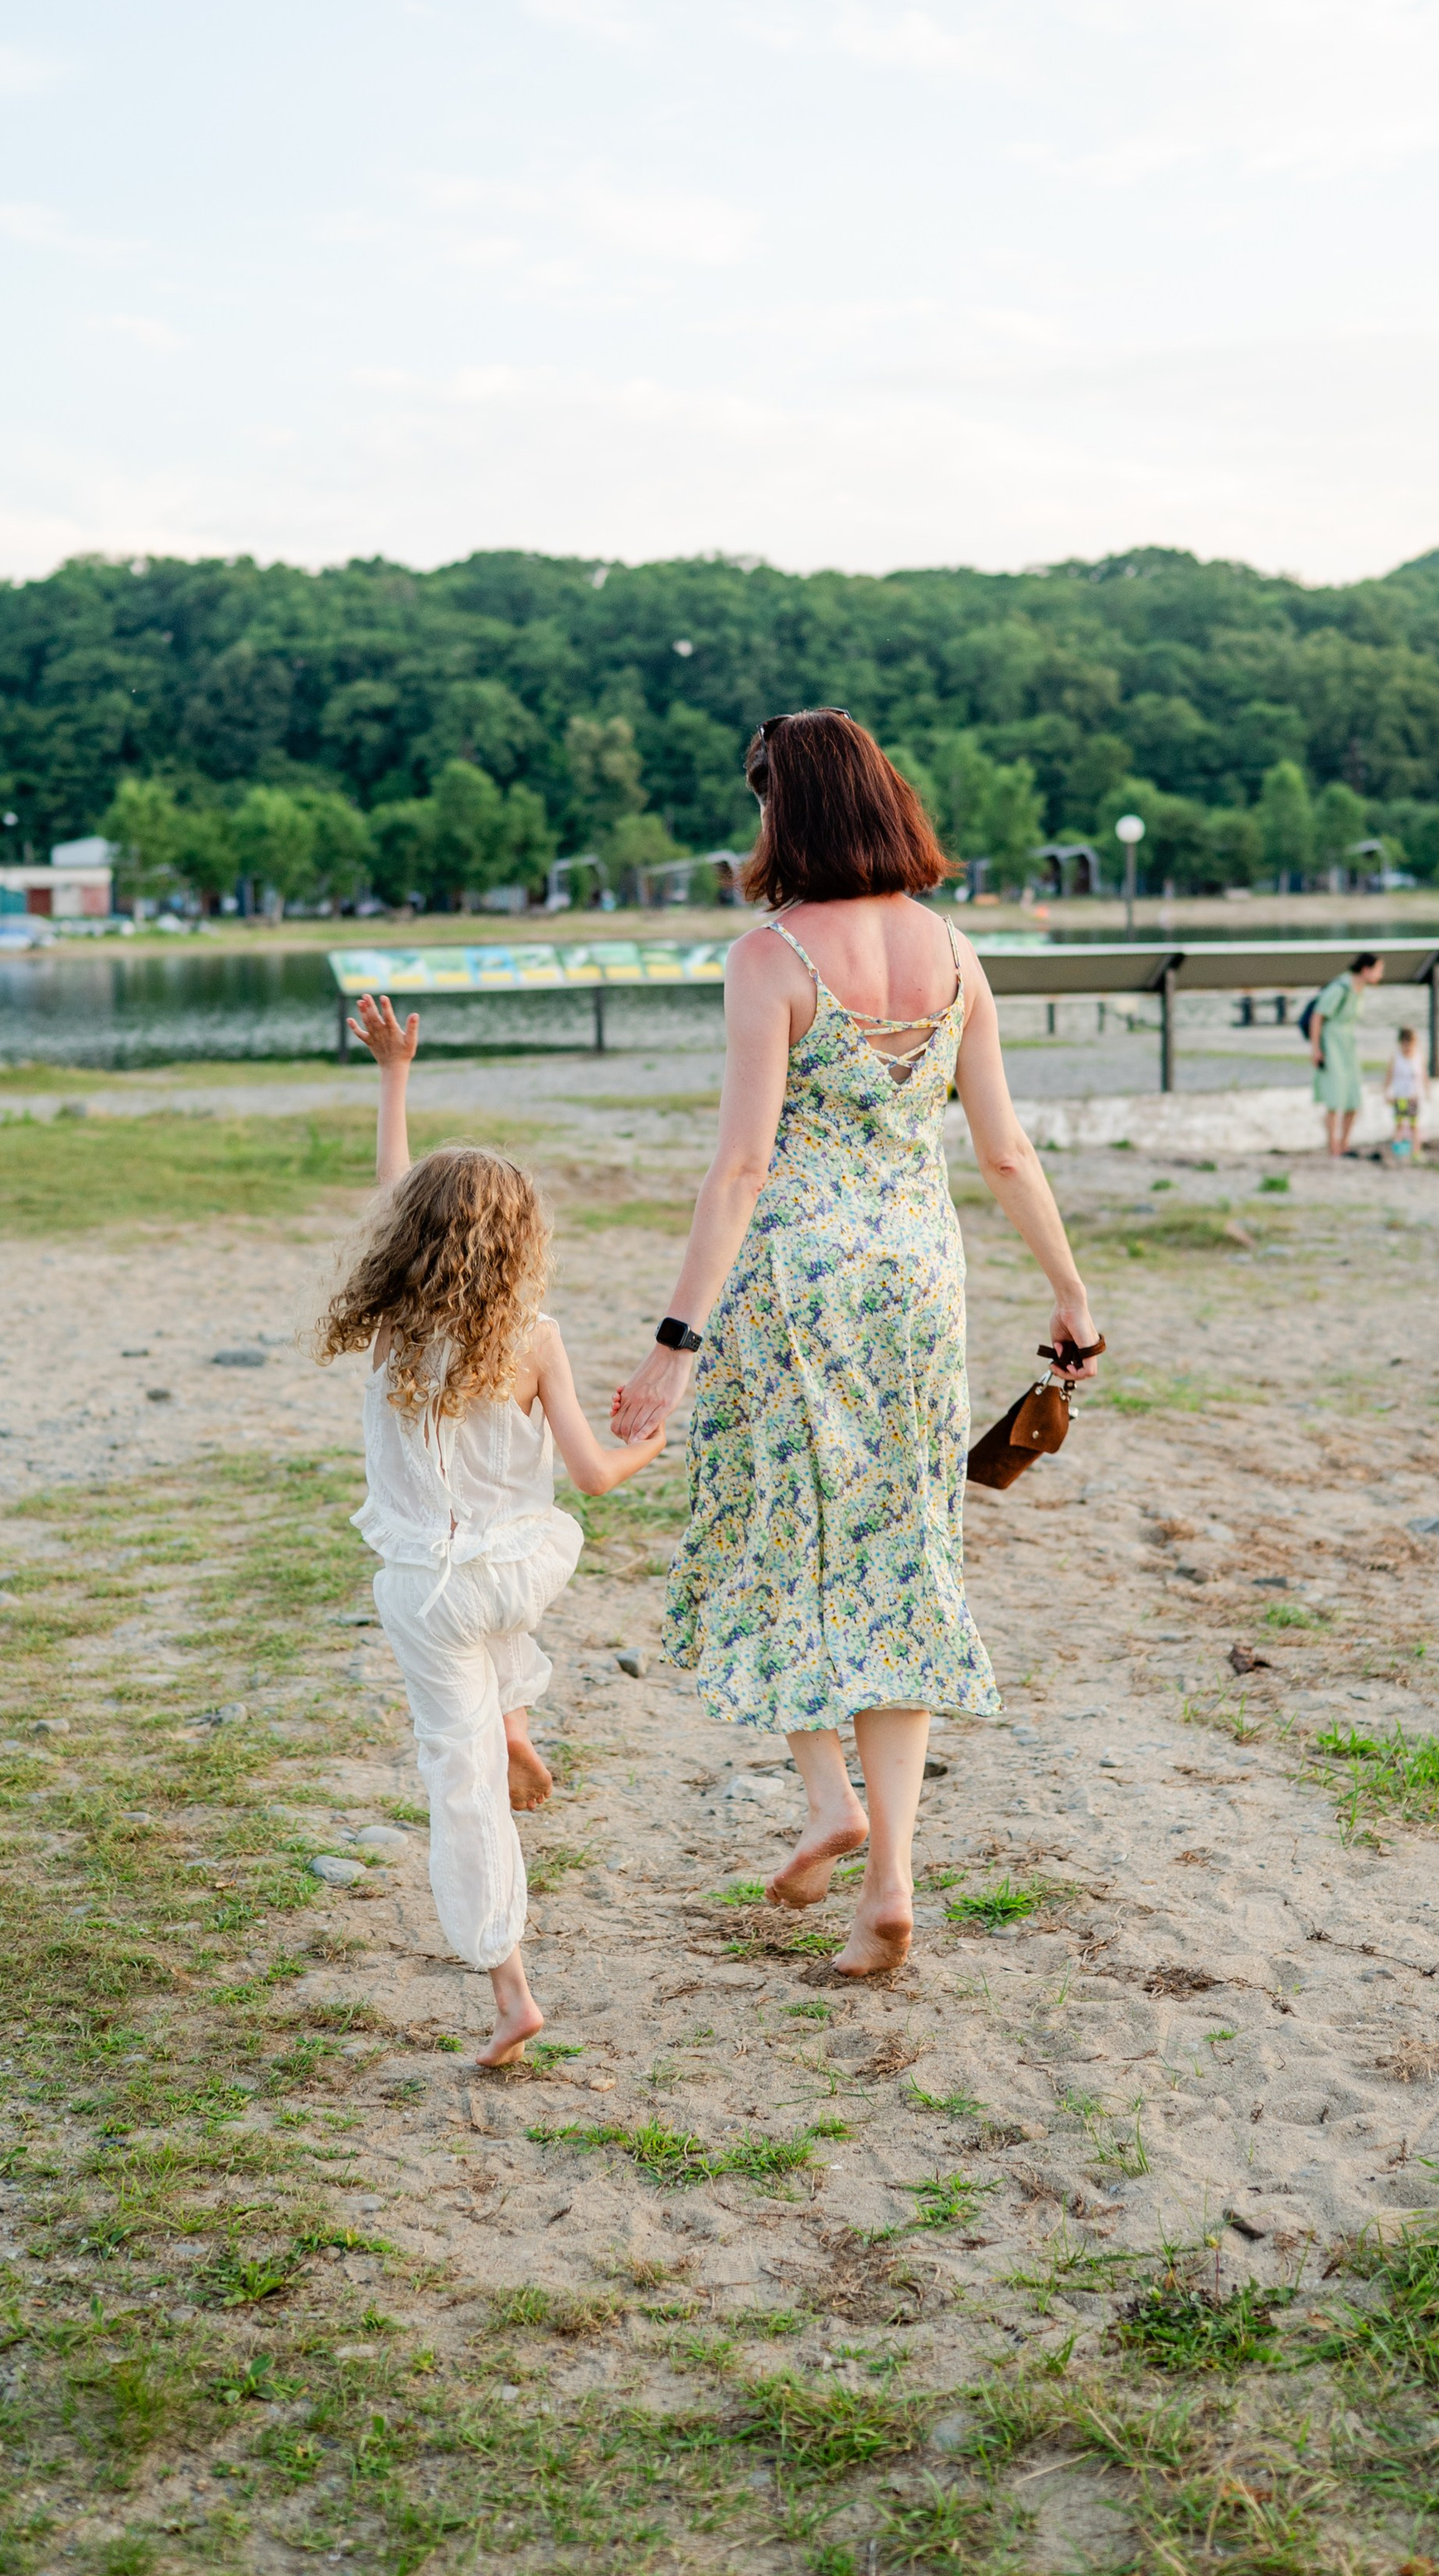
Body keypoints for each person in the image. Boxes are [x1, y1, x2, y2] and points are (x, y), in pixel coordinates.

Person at [608, 709, 1102, 1980]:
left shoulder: (769, 956)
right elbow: (1004, 1150)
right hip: (920, 1281)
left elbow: (741, 1165)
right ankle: (890, 1877)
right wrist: (1070, 1291)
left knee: (788, 1530)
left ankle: (829, 1796)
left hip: (795, 1285)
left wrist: (674, 1341)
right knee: (905, 1549)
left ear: (790, 813)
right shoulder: (954, 955)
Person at [318, 995, 666, 2065]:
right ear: (519, 1243)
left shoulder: (386, 1324)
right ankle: (515, 1722)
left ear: (408, 1242)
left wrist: (393, 1075)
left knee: (458, 1787)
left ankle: (510, 1987)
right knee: (498, 1607)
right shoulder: (538, 1338)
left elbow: (394, 1199)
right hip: (529, 1565)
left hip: (432, 1588)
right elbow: (600, 1478)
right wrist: (655, 1433)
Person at [1309, 951, 1384, 1157]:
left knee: (1353, 1096)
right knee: (1335, 1096)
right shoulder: (1340, 987)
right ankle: (1333, 1146)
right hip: (1332, 1045)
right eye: (1378, 970)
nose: (1381, 975)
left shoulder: (1358, 990)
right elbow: (1317, 1017)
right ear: (1366, 970)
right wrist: (1316, 1049)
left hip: (1348, 1046)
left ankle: (1344, 1144)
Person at [1385, 1025, 1426, 1159]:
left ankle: (1416, 1151)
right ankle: (1397, 1150)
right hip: (1400, 1098)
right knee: (1400, 1124)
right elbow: (1389, 1075)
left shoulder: (1418, 1057)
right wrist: (1387, 1092)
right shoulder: (1396, 1057)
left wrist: (1426, 1091)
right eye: (1405, 1043)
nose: (1408, 1047)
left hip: (1413, 1097)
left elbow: (1423, 1076)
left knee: (1414, 1125)